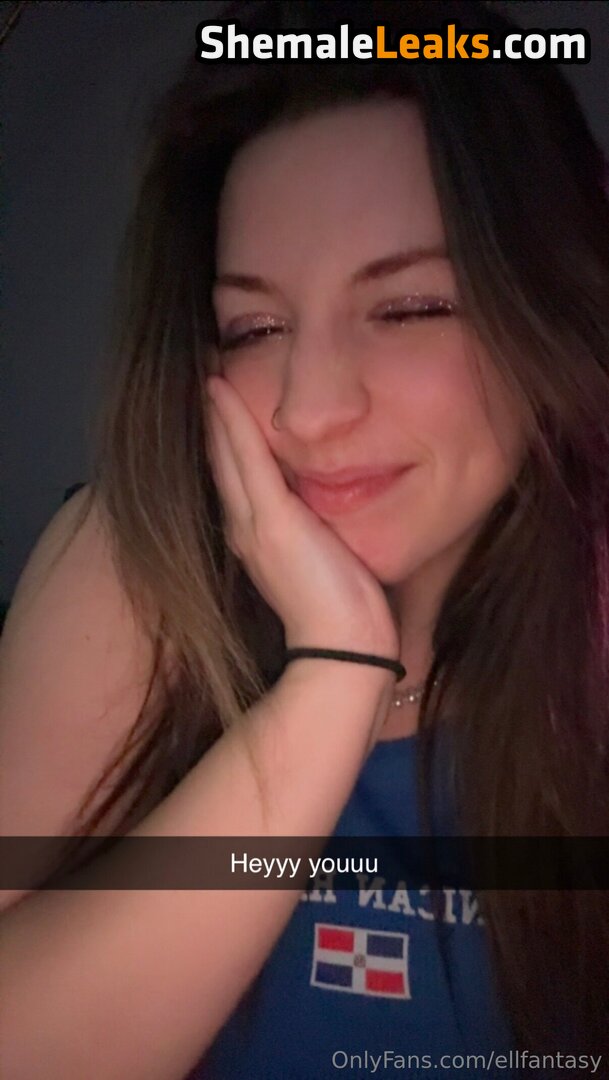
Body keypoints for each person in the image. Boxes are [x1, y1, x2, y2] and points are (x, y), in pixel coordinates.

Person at [1, 1, 609, 1077]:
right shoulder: (136, 570)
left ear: (550, 307)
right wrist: (332, 673)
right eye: (255, 328)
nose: (308, 409)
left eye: (410, 308)